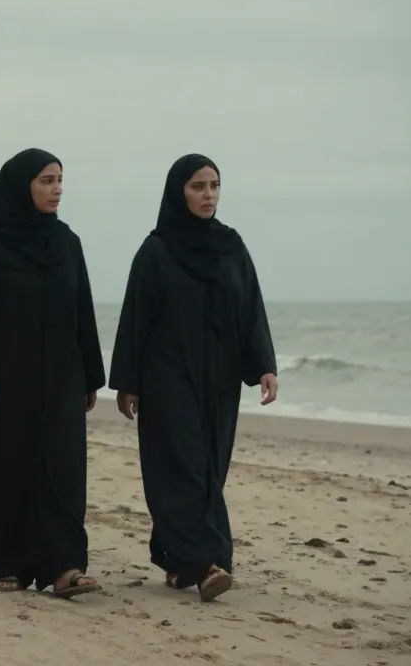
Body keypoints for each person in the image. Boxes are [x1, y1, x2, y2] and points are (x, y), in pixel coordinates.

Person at [109, 153, 278, 602]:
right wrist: (128, 381)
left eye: (214, 186)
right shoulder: (156, 250)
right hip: (167, 376)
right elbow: (135, 318)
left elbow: (250, 308)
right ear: (178, 192)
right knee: (185, 467)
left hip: (219, 380)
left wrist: (264, 364)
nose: (208, 195)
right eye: (198, 187)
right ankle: (209, 563)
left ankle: (175, 557)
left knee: (209, 468)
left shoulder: (232, 246)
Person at [0, 149, 106, 599]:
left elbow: (82, 310)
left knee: (63, 469)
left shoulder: (67, 242)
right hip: (5, 378)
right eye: (46, 181)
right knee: (6, 467)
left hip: (62, 377)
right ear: (22, 187)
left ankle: (65, 566)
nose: (56, 189)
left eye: (59, 180)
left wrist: (91, 374)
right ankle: (6, 562)